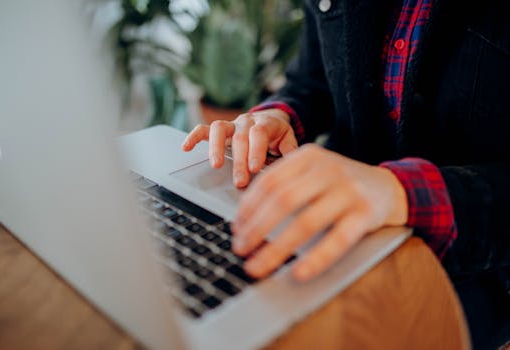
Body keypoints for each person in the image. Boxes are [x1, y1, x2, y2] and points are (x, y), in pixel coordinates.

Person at [182, 0, 510, 347]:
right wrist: (278, 116)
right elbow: (313, 79)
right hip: (330, 230)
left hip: (470, 275)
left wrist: (397, 190)